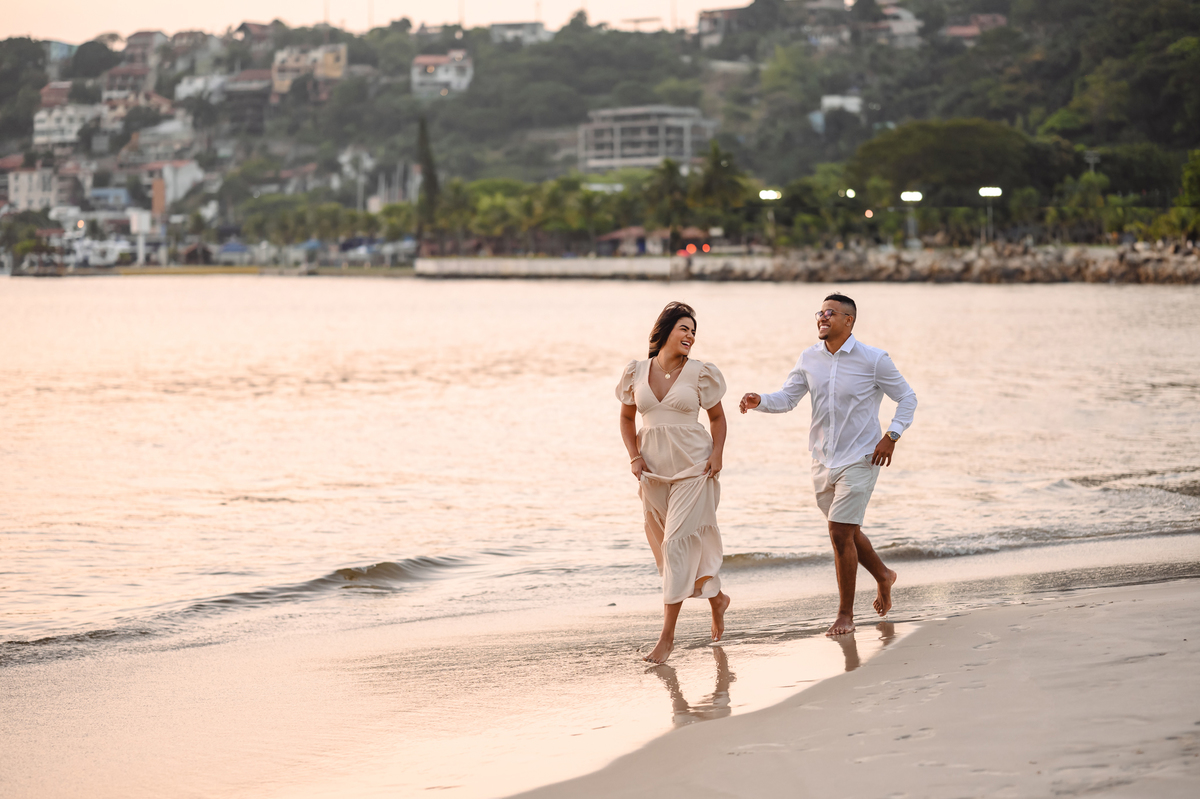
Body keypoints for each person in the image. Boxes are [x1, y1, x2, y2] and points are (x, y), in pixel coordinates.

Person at [739, 293, 916, 637]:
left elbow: (907, 397)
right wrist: (760, 400)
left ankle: (845, 614)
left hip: (862, 457)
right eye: (820, 312)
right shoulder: (809, 358)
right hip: (822, 460)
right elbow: (788, 398)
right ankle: (883, 575)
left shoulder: (874, 359)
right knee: (846, 532)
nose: (822, 317)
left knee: (838, 532)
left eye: (830, 313)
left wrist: (891, 436)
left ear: (848, 321)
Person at [617, 301, 731, 664]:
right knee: (667, 549)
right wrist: (634, 456)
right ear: (665, 330)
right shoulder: (636, 371)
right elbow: (626, 417)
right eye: (684, 328)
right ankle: (717, 598)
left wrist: (717, 455)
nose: (690, 336)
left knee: (676, 544)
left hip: (695, 470)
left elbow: (717, 418)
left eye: (694, 331)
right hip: (654, 474)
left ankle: (666, 639)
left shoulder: (700, 373)